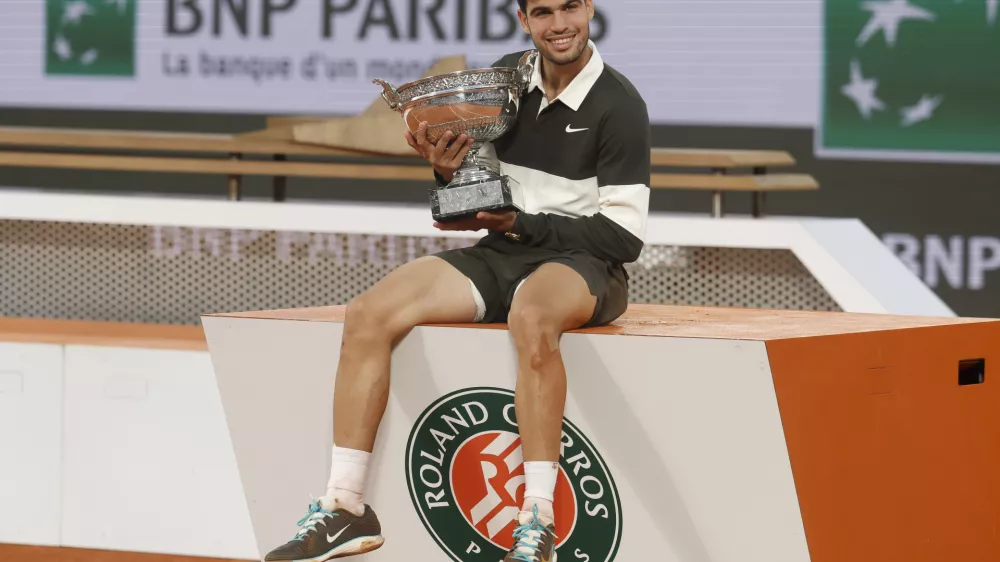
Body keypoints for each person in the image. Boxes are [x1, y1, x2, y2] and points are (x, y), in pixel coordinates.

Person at [263, 0, 649, 560]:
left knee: (532, 316)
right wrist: (448, 170)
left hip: (584, 264)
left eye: (570, 6)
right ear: (524, 20)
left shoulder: (620, 104)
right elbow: (468, 205)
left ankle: (536, 523)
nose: (559, 24)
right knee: (368, 314)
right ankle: (345, 507)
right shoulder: (504, 82)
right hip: (503, 251)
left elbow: (624, 239)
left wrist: (520, 222)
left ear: (589, 8)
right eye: (543, 12)